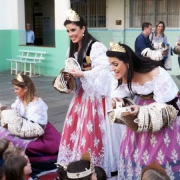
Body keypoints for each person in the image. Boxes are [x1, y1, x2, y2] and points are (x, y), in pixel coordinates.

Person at [57, 9, 121, 177]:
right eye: (68, 31)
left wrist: (83, 74)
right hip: (79, 100)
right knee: (76, 135)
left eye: (73, 30)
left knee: (91, 135)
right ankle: (76, 170)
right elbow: (74, 85)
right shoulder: (71, 51)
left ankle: (95, 172)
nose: (70, 34)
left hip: (95, 100)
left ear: (83, 28)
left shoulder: (95, 47)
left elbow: (104, 72)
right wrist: (68, 79)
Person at [107, 42, 180, 179]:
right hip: (139, 110)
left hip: (162, 113)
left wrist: (142, 109)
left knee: (158, 151)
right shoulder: (120, 76)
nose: (112, 69)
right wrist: (119, 101)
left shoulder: (156, 73)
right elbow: (119, 93)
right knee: (134, 149)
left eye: (115, 64)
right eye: (110, 64)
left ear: (128, 63)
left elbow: (169, 106)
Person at [0, 74, 61, 175]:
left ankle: (23, 163)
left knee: (29, 146)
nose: (14, 91)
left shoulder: (37, 105)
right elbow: (15, 115)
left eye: (16, 89)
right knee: (2, 132)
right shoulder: (19, 101)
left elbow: (37, 128)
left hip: (38, 133)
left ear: (25, 89)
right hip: (22, 128)